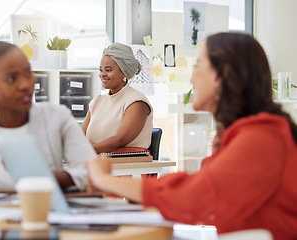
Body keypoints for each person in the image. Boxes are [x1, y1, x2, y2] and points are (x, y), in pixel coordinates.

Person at [86, 33, 297, 239]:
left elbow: (197, 196)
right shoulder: (234, 136)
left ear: (221, 75)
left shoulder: (260, 138)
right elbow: (201, 184)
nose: (192, 78)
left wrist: (104, 179)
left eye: (197, 67)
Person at [0, 41, 96, 193]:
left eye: (28, 73)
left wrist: (45, 178)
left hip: (42, 213)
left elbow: (94, 173)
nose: (25, 85)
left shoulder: (56, 117)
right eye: (11, 79)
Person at [81, 43, 153, 154]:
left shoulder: (136, 101)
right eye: (101, 70)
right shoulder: (97, 102)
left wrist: (85, 151)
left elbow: (120, 140)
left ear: (123, 73)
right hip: (97, 162)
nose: (102, 74)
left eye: (108, 70)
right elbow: (80, 137)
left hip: (127, 166)